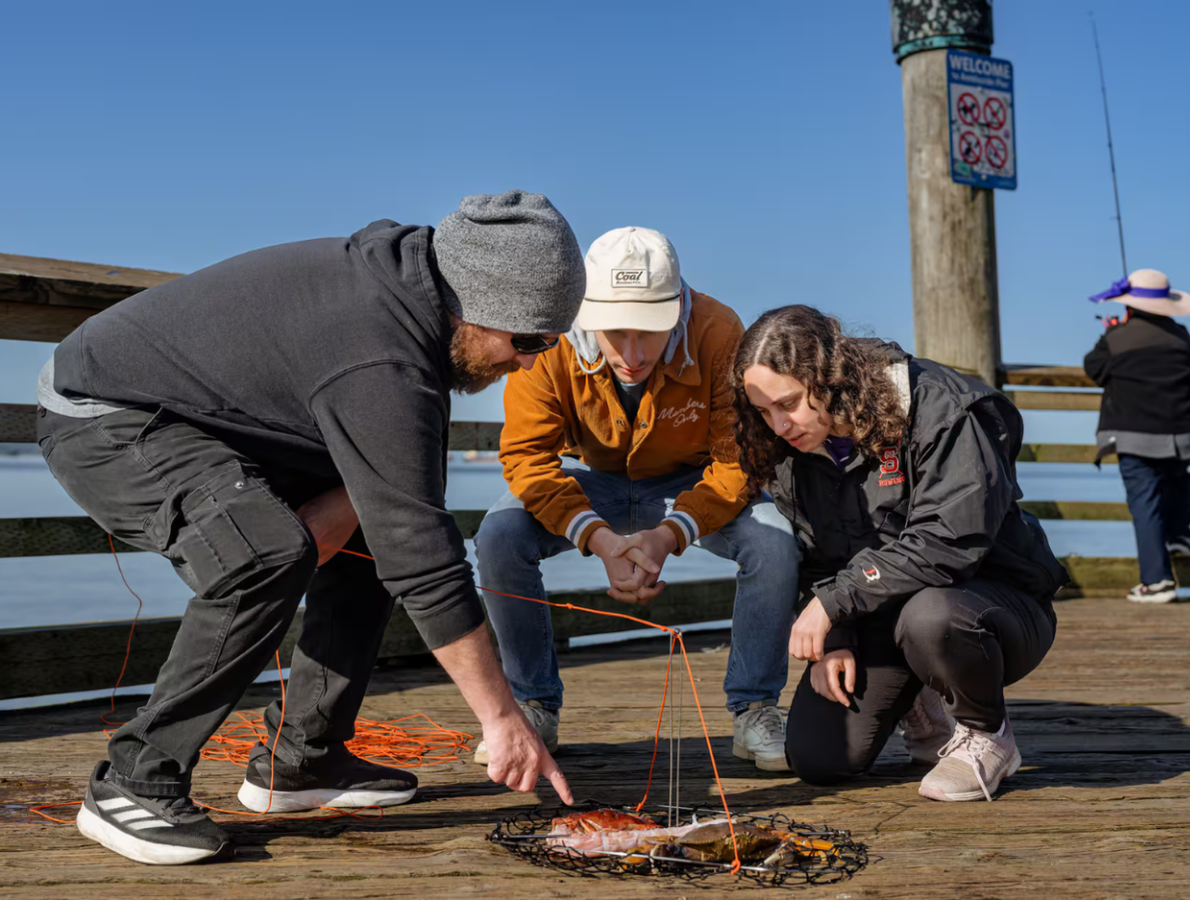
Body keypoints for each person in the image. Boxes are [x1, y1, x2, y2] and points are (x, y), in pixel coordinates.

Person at [35, 191, 582, 865]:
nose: (528, 363)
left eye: (549, 344)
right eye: (526, 341)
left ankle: (303, 760)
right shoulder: (378, 346)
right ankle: (132, 783)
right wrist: (503, 719)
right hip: (102, 415)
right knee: (263, 551)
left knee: (371, 541)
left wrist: (359, 508)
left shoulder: (417, 309)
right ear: (472, 304)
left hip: (229, 427)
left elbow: (404, 514)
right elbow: (426, 558)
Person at [472, 227, 800, 771]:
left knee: (776, 541)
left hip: (689, 481)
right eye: (615, 332)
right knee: (499, 534)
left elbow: (736, 459)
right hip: (590, 480)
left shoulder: (719, 332)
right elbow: (528, 458)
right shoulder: (547, 338)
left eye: (649, 331)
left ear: (678, 307)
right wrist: (597, 538)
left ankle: (754, 709)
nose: (632, 353)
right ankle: (532, 702)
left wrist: (669, 534)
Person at [731, 305, 1067, 801]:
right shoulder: (791, 449)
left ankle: (987, 734)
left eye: (790, 403)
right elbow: (819, 552)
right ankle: (921, 702)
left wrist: (831, 604)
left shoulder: (942, 407)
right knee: (819, 758)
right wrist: (837, 638)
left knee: (931, 617)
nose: (779, 425)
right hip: (877, 611)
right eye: (763, 411)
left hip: (987, 607)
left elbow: (949, 541)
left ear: (830, 377)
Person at [1084, 269, 1190, 604]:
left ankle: (1157, 582)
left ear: (1129, 306)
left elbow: (1095, 368)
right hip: (1180, 432)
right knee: (1177, 479)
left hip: (1133, 434)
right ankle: (1180, 538)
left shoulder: (1117, 339)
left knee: (1145, 504)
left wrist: (1109, 334)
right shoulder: (1182, 337)